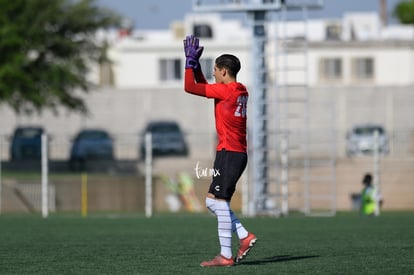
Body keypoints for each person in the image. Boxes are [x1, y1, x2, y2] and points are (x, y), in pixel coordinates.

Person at [183, 34, 257, 267]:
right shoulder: (240, 89)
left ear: (224, 72)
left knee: (219, 202)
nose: (213, 73)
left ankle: (226, 255)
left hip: (229, 154)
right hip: (233, 153)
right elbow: (204, 87)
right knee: (213, 202)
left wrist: (189, 64)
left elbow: (191, 87)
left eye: (215, 69)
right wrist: (196, 67)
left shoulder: (226, 92)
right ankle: (244, 235)